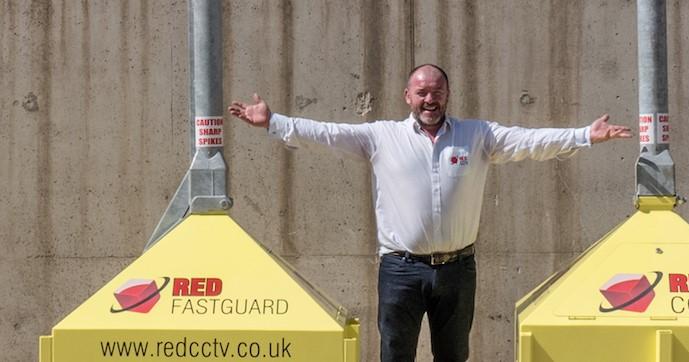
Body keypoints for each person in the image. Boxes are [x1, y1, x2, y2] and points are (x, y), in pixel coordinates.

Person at [228, 64, 631, 362]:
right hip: (400, 270)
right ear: (407, 96)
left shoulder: (479, 136)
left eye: (436, 91)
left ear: (447, 95)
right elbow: (328, 134)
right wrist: (273, 122)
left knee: (454, 357)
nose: (429, 99)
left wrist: (584, 136)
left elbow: (529, 142)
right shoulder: (381, 137)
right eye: (421, 92)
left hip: (457, 270)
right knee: (395, 355)